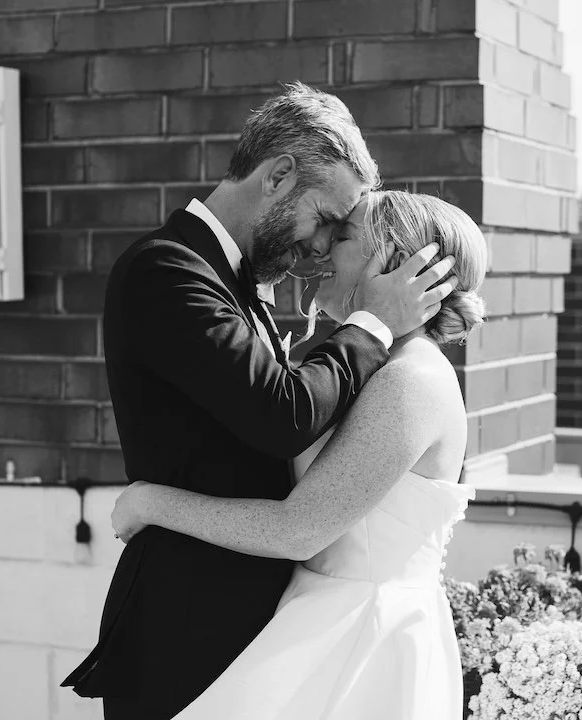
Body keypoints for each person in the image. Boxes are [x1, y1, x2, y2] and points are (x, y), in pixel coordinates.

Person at [61, 84, 456, 720]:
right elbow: (283, 417)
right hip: (189, 621)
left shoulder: (244, 284)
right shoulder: (168, 270)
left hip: (270, 625)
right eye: (326, 218)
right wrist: (374, 325)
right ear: (277, 176)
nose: (324, 246)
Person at [109, 190, 487, 720]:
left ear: (395, 263)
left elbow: (299, 530)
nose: (323, 251)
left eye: (345, 236)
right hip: (310, 618)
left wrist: (149, 503)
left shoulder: (412, 380)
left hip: (364, 642)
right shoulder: (367, 365)